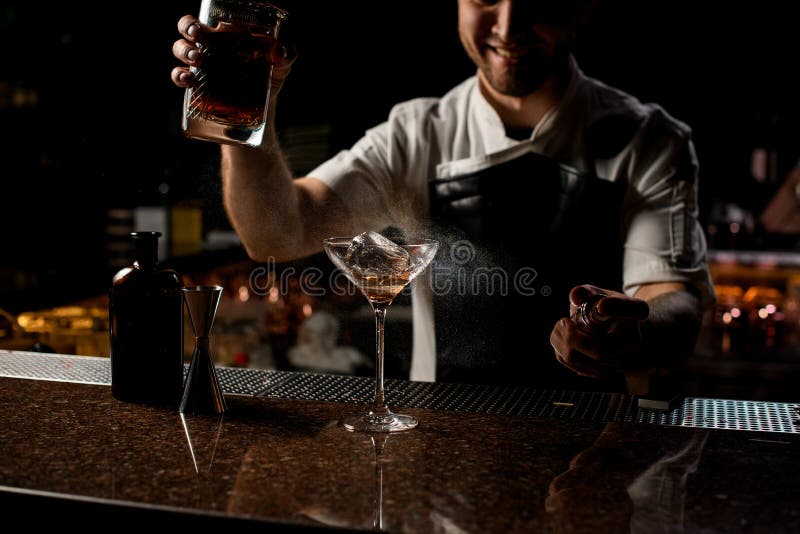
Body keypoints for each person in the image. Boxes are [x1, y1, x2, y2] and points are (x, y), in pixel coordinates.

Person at [171, 0, 716, 393]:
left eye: (537, 0)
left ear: (582, 8)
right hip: (443, 445)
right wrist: (250, 108)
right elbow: (277, 233)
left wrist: (632, 331)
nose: (508, 25)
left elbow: (675, 299)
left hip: (600, 452)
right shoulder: (416, 134)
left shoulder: (650, 139)